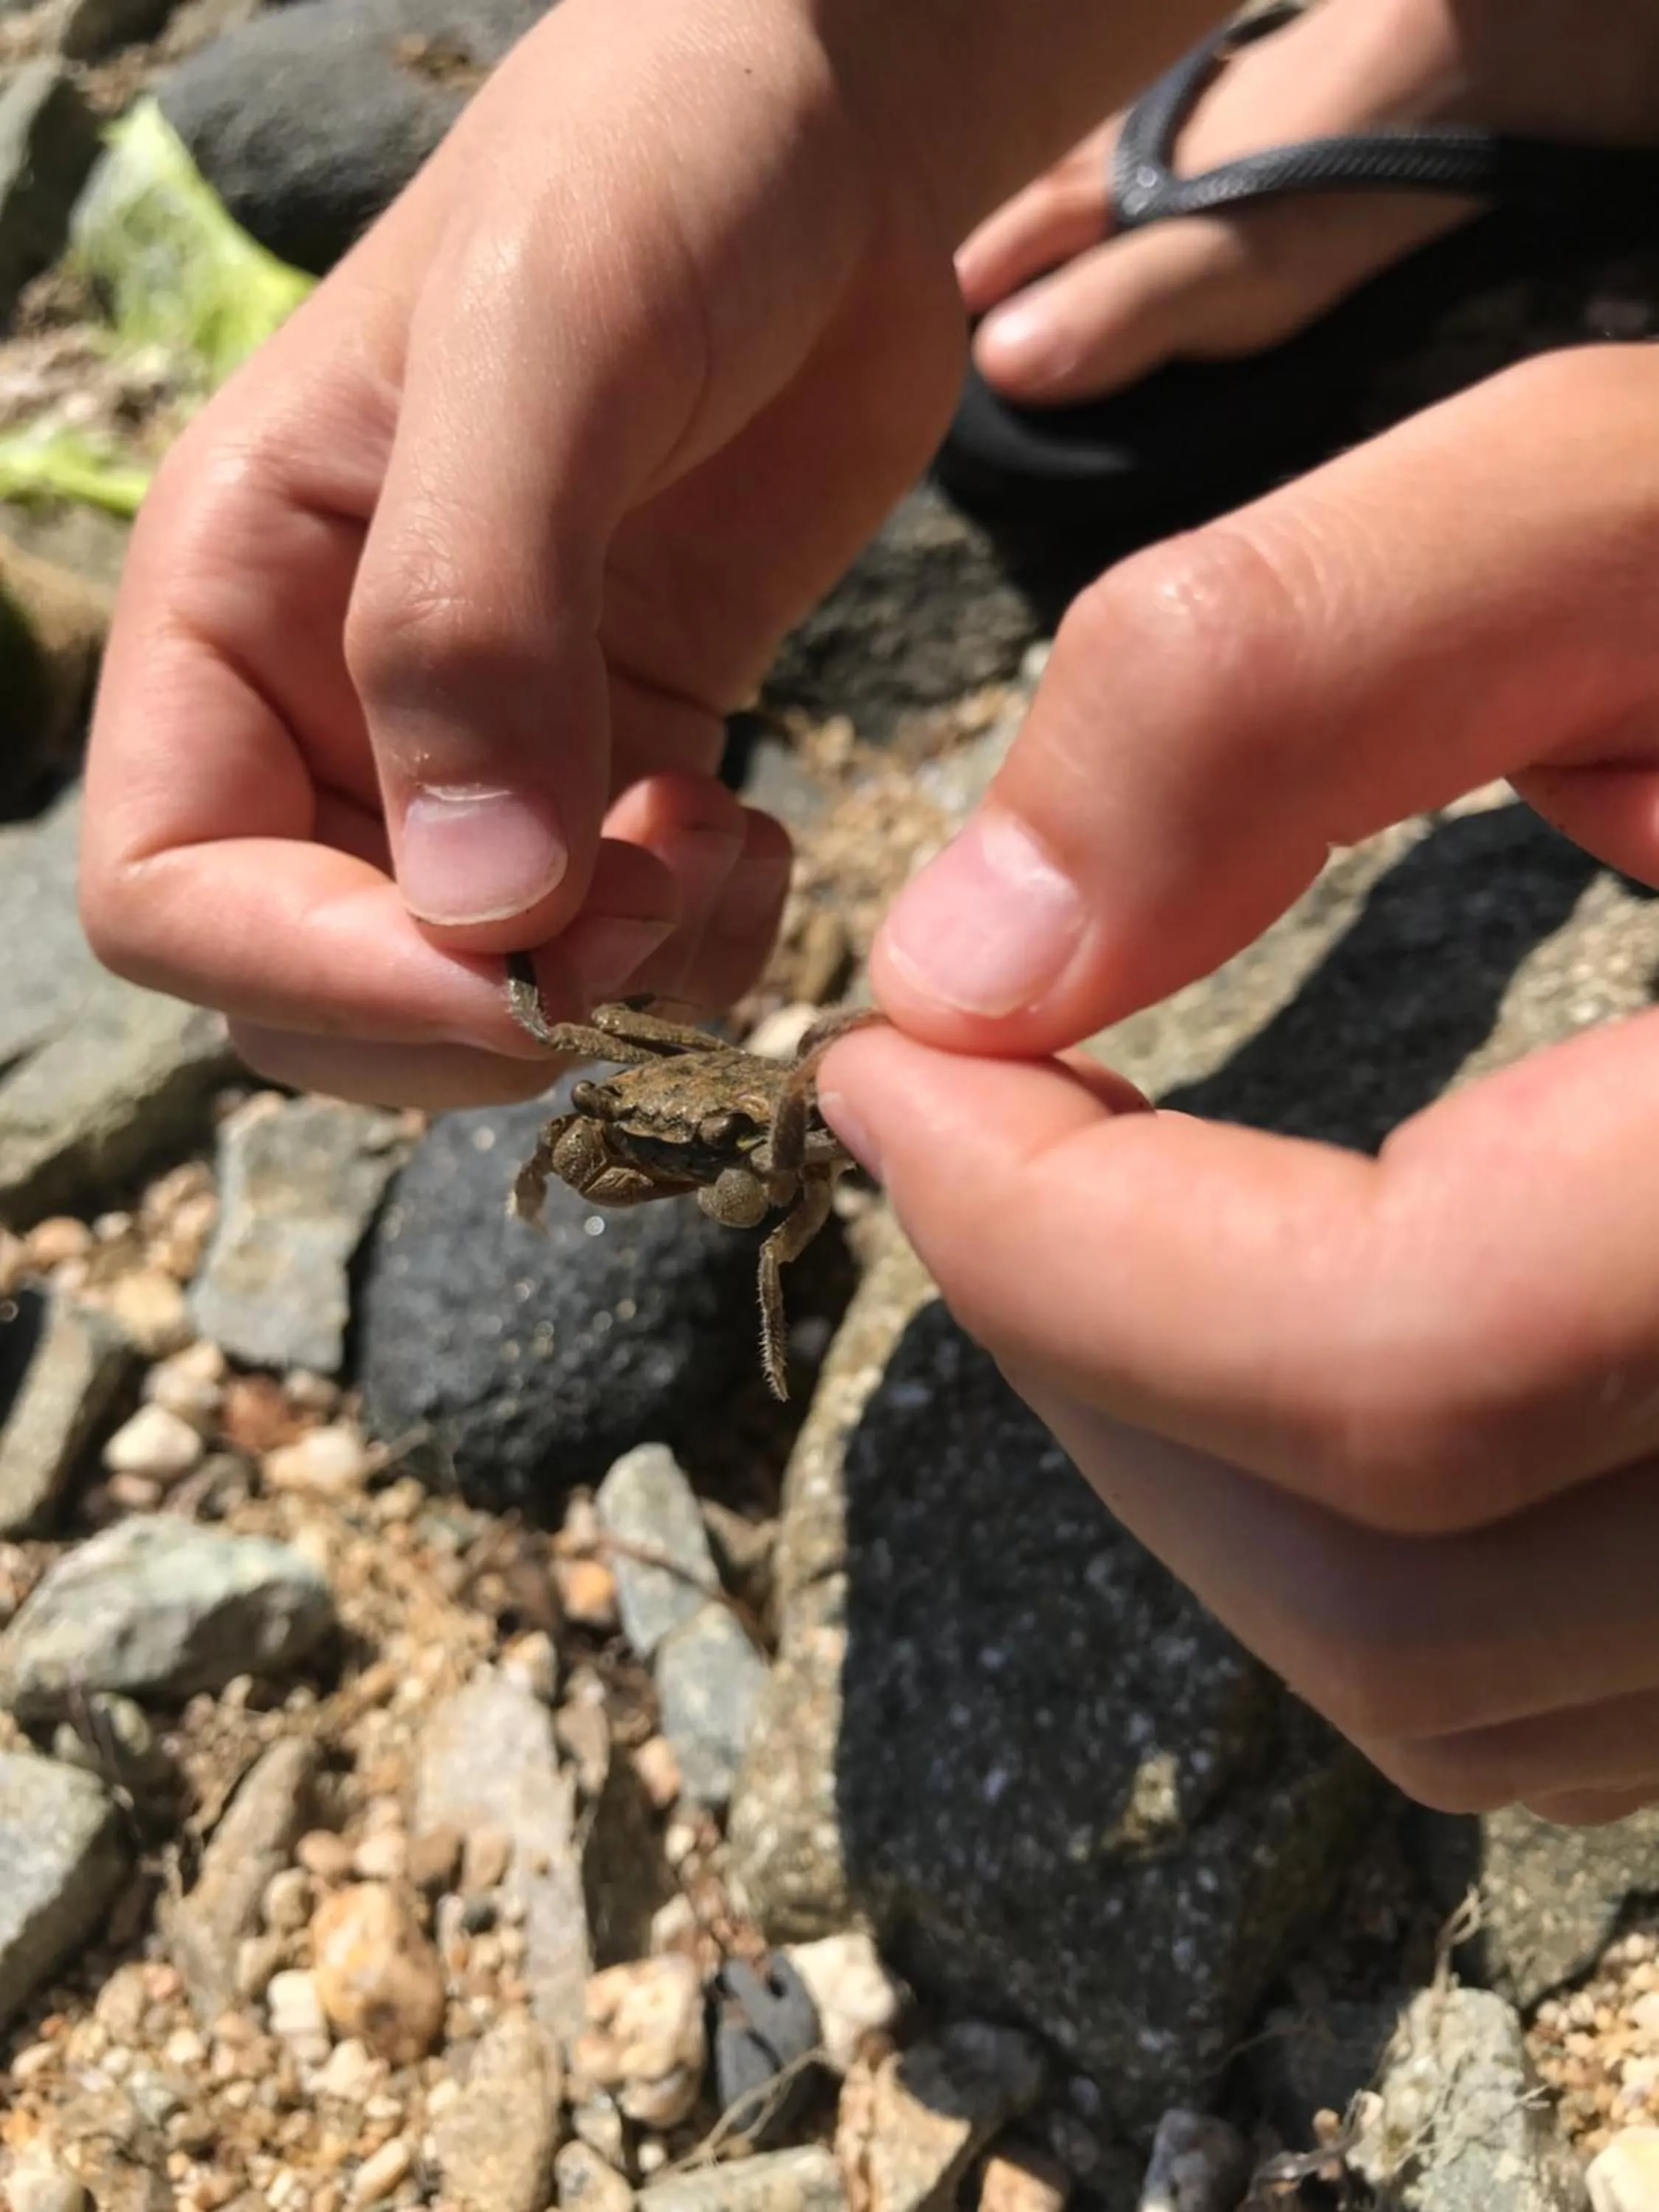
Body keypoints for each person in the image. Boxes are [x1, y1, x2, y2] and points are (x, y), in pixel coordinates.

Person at [78, 0, 1659, 1823]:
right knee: (1038, 433)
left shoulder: (769, 1109)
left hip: (782, 1094)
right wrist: (827, 51)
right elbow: (597, 1083)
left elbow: (750, 1156)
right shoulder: (645, 1084)